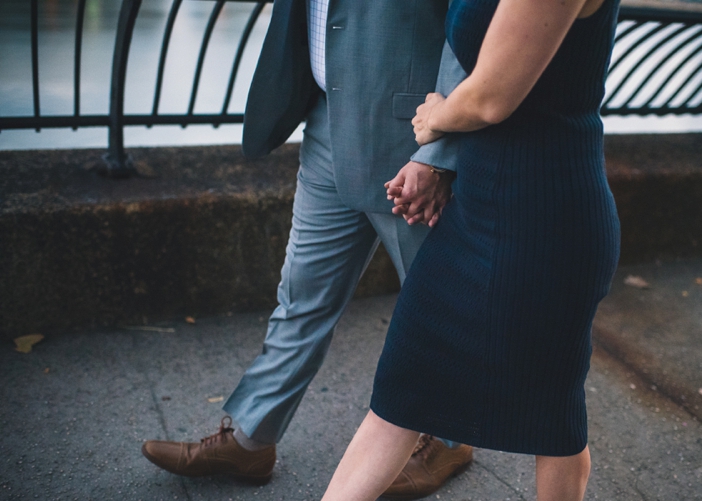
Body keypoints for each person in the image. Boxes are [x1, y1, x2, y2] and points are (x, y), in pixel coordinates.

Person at [141, 0, 474, 498]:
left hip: (409, 142)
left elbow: (467, 30)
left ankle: (450, 438)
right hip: (327, 125)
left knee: (435, 307)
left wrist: (439, 152)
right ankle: (251, 440)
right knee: (301, 295)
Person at [321, 0, 622, 499]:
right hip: (475, 209)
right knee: (399, 393)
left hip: (544, 220)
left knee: (554, 418)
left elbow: (490, 98)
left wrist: (438, 115)